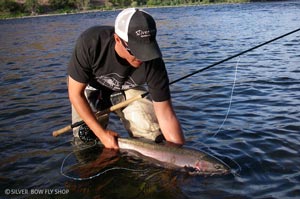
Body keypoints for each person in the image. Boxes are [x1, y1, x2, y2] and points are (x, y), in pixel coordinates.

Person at [68, 8, 185, 149]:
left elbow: (166, 114)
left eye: (147, 49)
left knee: (151, 134)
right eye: (136, 50)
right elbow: (75, 94)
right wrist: (102, 134)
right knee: (86, 141)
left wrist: (180, 153)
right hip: (91, 89)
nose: (143, 57)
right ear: (118, 39)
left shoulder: (154, 60)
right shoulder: (91, 42)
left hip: (127, 90)